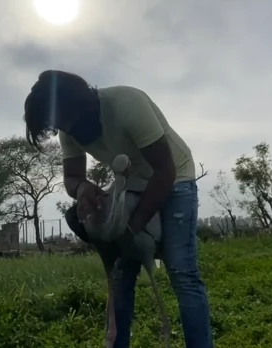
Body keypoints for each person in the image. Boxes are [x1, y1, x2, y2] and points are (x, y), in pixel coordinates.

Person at [24, 70, 214, 348]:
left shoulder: (127, 104)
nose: (68, 129)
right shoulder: (70, 129)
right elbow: (72, 178)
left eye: (68, 120)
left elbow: (165, 170)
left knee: (182, 272)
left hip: (175, 177)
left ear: (83, 103)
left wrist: (131, 229)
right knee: (121, 275)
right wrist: (82, 189)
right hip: (130, 183)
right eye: (58, 125)